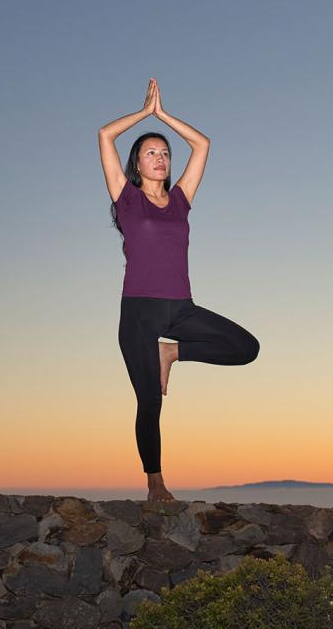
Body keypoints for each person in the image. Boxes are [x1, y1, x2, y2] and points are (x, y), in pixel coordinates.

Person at [97, 79, 260, 504]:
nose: (161, 158)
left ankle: (172, 353)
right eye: (151, 152)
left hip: (180, 309)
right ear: (136, 163)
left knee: (246, 347)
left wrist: (165, 116)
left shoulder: (182, 200)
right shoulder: (126, 198)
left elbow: (202, 144)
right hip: (138, 312)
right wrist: (144, 114)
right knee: (150, 402)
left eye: (165, 152)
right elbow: (105, 135)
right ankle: (156, 484)